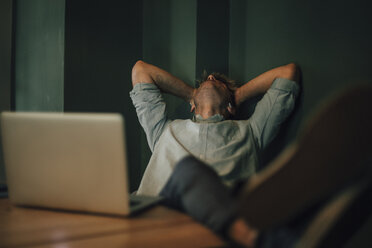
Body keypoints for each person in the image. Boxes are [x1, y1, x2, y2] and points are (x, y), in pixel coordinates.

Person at [130, 60, 300, 197]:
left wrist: (238, 95)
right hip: (154, 218)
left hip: (218, 223)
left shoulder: (252, 131)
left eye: (219, 83)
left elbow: (288, 73)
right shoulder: (164, 130)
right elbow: (141, 70)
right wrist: (191, 94)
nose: (210, 78)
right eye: (206, 81)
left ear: (230, 107)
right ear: (192, 107)